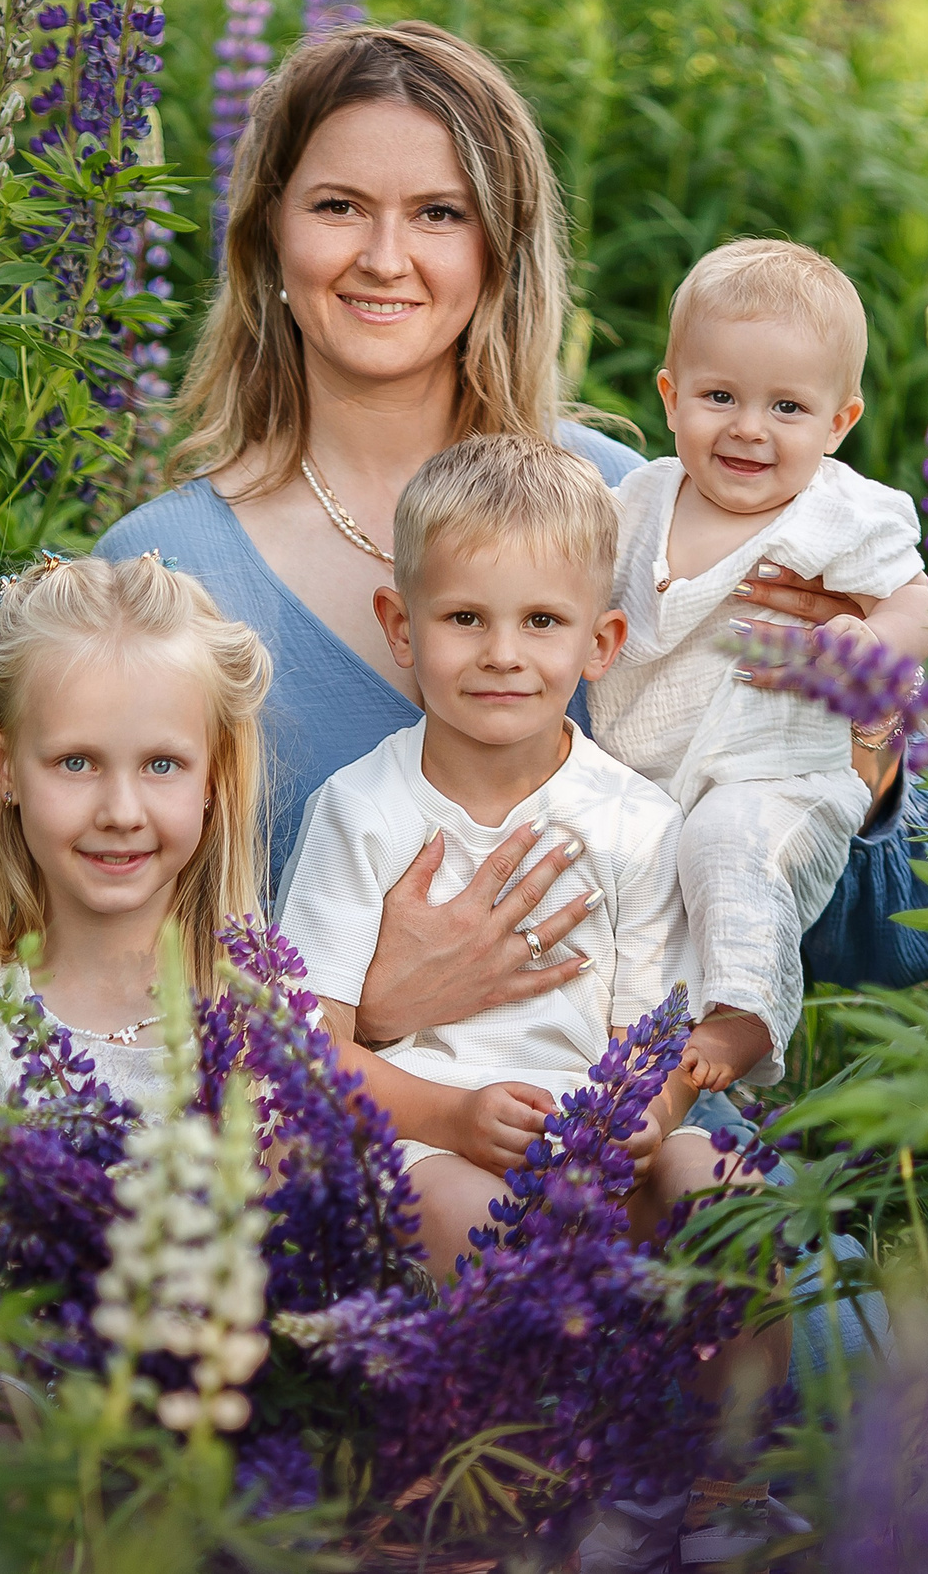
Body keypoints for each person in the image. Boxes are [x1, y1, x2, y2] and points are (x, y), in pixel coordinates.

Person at [93, 20, 928, 1068]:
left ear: (499, 246)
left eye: (438, 214)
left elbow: (889, 943)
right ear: (267, 235)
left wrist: (860, 748)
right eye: (337, 206)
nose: (383, 256)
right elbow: (88, 979)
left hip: (648, 1149)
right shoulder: (161, 575)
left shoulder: (647, 509)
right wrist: (372, 1005)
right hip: (325, 1185)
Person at [274, 437, 741, 1271]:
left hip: (594, 1141)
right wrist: (451, 1118)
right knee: (481, 1220)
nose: (502, 653)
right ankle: (529, 1394)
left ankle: (731, 1403)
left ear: (600, 643)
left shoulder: (636, 821)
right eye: (464, 618)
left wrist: (648, 1117)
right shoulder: (361, 810)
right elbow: (312, 1046)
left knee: (722, 1190)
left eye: (542, 621)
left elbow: (655, 1034)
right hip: (428, 1140)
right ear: (401, 627)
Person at [592, 240, 928, 1097]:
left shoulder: (841, 512)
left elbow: (922, 606)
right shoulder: (633, 505)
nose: (749, 427)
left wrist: (873, 639)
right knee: (625, 892)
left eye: (788, 407)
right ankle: (637, 1069)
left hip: (784, 773)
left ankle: (744, 1019)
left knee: (731, 849)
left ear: (839, 423)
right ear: (670, 398)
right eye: (720, 396)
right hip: (647, 771)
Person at [0, 553, 272, 1124]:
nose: (121, 812)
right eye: (76, 762)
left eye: (162, 765)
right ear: (3, 764)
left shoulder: (259, 1012)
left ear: (215, 773)